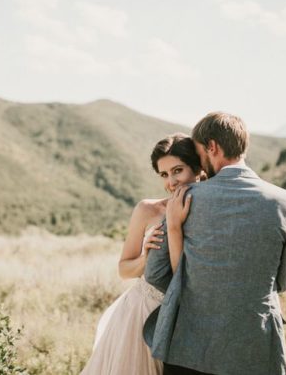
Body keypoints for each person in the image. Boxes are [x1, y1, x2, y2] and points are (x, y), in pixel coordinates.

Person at [144, 112, 286, 375]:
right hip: (256, 346)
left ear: (212, 147)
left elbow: (155, 272)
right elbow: (283, 281)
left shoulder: (186, 198)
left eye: (198, 152)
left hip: (190, 346)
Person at [81, 133, 205, 375]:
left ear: (198, 168)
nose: (171, 182)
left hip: (188, 318)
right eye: (164, 174)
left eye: (178, 170)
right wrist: (146, 257)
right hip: (142, 313)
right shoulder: (148, 210)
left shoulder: (211, 211)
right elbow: (123, 269)